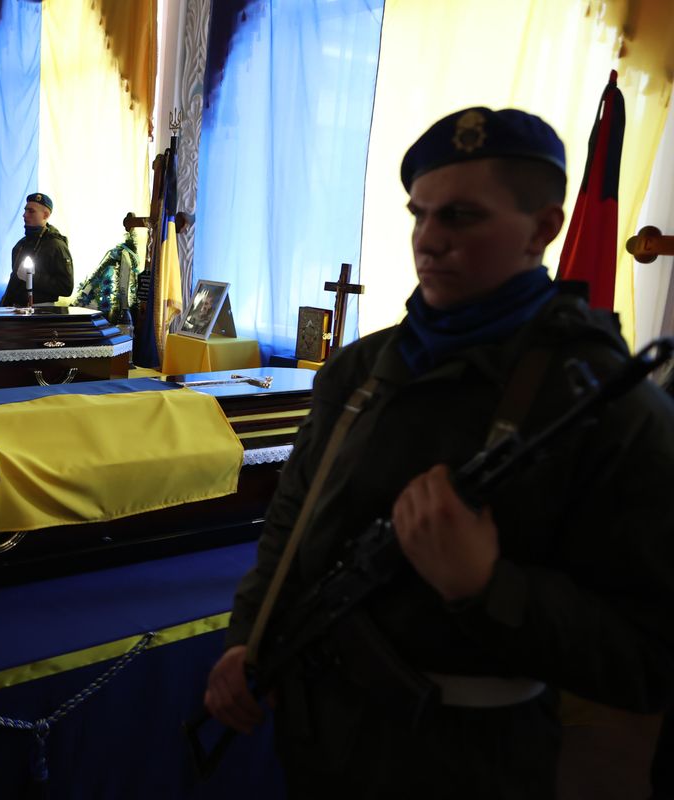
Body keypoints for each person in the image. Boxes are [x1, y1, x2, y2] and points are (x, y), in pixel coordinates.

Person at [204, 107, 674, 798]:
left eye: (460, 217)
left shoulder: (606, 400)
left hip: (469, 762)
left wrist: (488, 587)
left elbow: (648, 658)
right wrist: (249, 634)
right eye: (419, 214)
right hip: (318, 740)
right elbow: (293, 518)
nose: (428, 240)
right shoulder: (362, 368)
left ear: (544, 229)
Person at [0, 192, 73, 306]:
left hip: (42, 313)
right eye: (25, 210)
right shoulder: (20, 245)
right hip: (17, 310)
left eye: (31, 211)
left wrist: (32, 277)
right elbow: (15, 281)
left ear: (45, 215)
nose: (24, 215)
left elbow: (66, 287)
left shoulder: (56, 246)